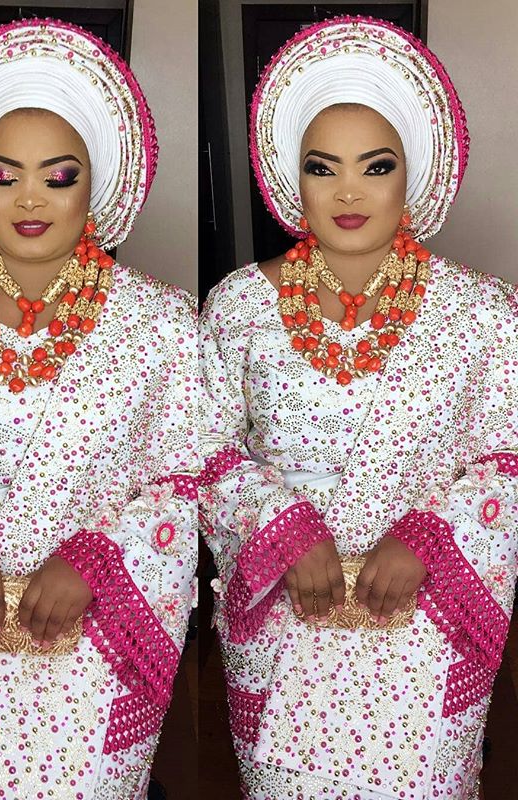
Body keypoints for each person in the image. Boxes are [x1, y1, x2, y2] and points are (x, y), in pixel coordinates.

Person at [199, 15, 517, 800]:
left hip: (426, 624)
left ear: (415, 174)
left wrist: (428, 537)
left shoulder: (483, 312)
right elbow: (200, 447)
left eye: (376, 166)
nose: (348, 192)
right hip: (286, 623)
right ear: (291, 178)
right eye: (322, 167)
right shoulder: (237, 305)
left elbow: (508, 457)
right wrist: (279, 526)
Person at [0, 18, 198, 800]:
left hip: (94, 635)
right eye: (4, 175)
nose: (28, 199)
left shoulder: (161, 321)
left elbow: (188, 476)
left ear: (98, 182)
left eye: (58, 177)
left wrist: (99, 558)